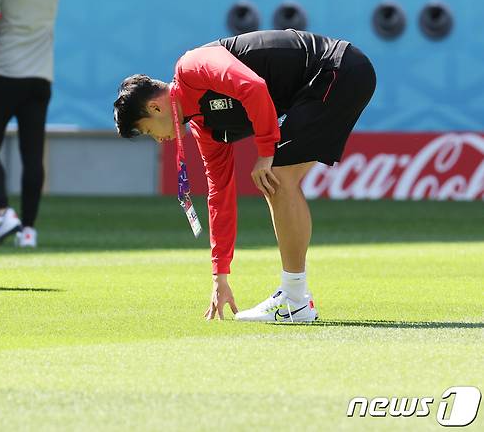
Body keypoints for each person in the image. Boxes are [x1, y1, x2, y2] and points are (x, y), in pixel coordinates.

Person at [113, 30, 376, 322]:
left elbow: (253, 86)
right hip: (331, 79)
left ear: (155, 107)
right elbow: (219, 194)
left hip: (338, 69)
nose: (159, 139)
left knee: (276, 177)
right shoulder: (204, 126)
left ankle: (295, 299)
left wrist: (265, 153)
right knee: (277, 179)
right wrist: (219, 275)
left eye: (150, 131)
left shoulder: (191, 66)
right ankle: (295, 297)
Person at [0, 0, 59, 247]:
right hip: (40, 78)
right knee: (32, 155)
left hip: (2, 73)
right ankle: (29, 231)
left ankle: (3, 213)